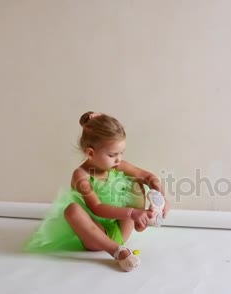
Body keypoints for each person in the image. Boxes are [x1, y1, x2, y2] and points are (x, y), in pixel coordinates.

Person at [24, 111, 169, 272]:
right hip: (96, 234)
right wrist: (132, 212)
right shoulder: (81, 176)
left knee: (136, 182)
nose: (118, 159)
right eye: (112, 155)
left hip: (121, 228)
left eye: (121, 153)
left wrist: (161, 194)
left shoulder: (118, 165)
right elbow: (97, 208)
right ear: (90, 153)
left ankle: (145, 219)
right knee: (72, 211)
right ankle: (117, 251)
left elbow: (147, 176)